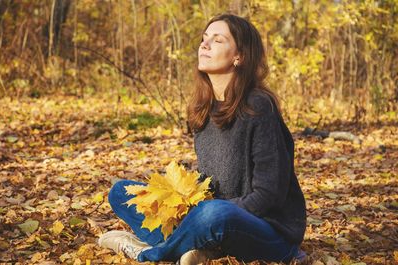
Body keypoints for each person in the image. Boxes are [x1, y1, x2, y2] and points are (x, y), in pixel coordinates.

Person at [98, 13, 307, 264]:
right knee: (121, 192)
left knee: (213, 212)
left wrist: (205, 213)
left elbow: (268, 194)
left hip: (268, 233)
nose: (204, 45)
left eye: (217, 40)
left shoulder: (258, 107)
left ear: (239, 56)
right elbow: (211, 182)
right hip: (215, 219)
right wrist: (180, 199)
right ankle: (196, 247)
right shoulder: (202, 109)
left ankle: (151, 253)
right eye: (204, 38)